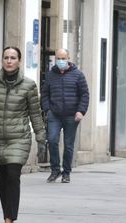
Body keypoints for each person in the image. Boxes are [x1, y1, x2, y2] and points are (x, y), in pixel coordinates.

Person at [0, 46, 46, 223]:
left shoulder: (29, 85)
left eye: (13, 57)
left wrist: (40, 138)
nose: (9, 61)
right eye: (6, 57)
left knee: (12, 175)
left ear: (19, 61)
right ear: (2, 60)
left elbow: (35, 113)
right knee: (2, 180)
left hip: (19, 138)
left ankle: (9, 220)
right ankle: (7, 216)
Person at [40, 48, 89, 184]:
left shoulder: (78, 75)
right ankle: (55, 170)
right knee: (52, 140)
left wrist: (81, 111)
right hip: (54, 115)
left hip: (71, 116)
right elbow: (45, 94)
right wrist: (47, 110)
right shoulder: (50, 75)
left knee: (68, 145)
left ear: (68, 58)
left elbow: (84, 94)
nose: (60, 61)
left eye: (63, 58)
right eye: (58, 58)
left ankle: (66, 172)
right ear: (55, 59)